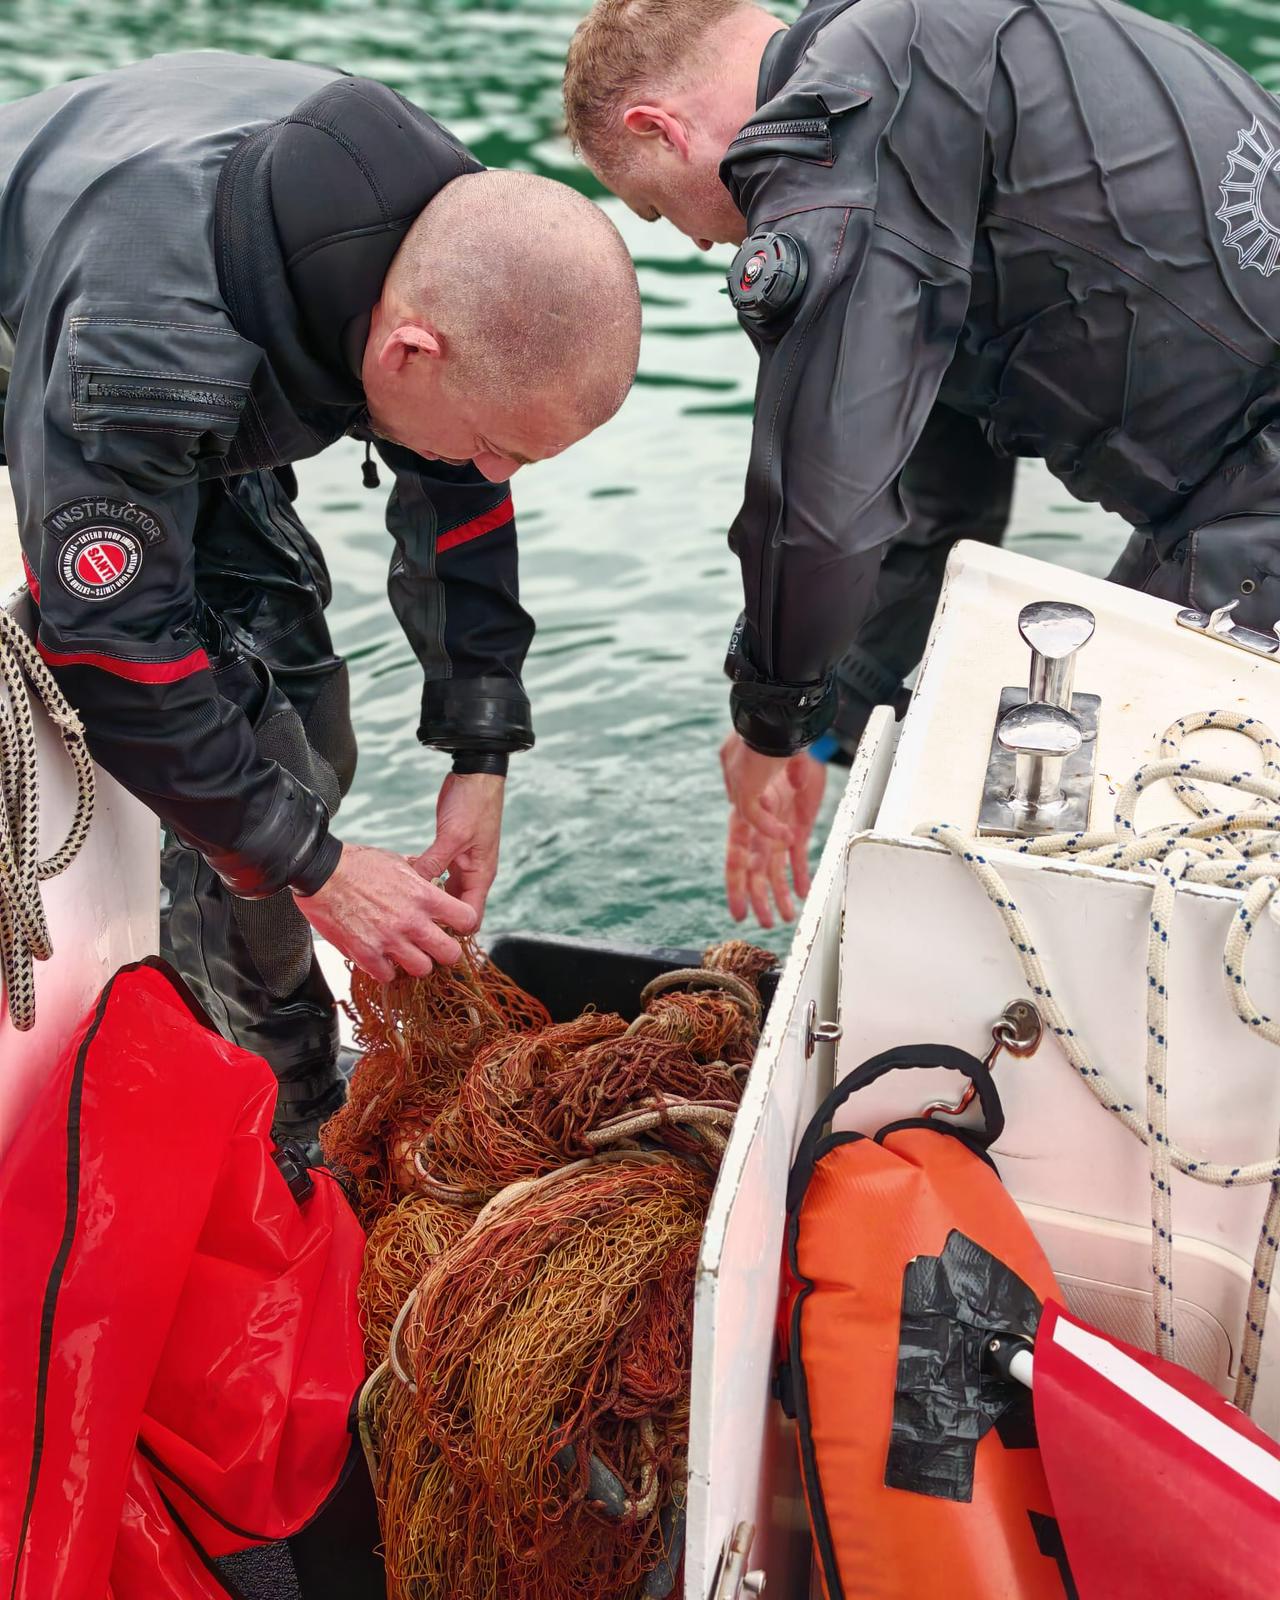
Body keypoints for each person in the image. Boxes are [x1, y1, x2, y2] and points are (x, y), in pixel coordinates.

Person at [0, 51, 641, 1148]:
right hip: (60, 334)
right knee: (243, 768)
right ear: (405, 349)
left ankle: (259, 989)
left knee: (301, 692)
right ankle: (284, 1118)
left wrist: (480, 749)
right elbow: (112, 653)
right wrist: (319, 868)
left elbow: (460, 494)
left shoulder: (444, 237)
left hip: (200, 321)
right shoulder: (150, 355)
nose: (497, 474)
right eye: (499, 446)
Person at [564, 0, 1280, 925]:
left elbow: (822, 493)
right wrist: (831, 722)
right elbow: (937, 495)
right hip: (1242, 490)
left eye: (657, 208)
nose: (700, 240)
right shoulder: (926, 66)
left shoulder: (841, 117)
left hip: (1255, 496)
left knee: (1080, 872)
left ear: (657, 129)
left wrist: (770, 723)